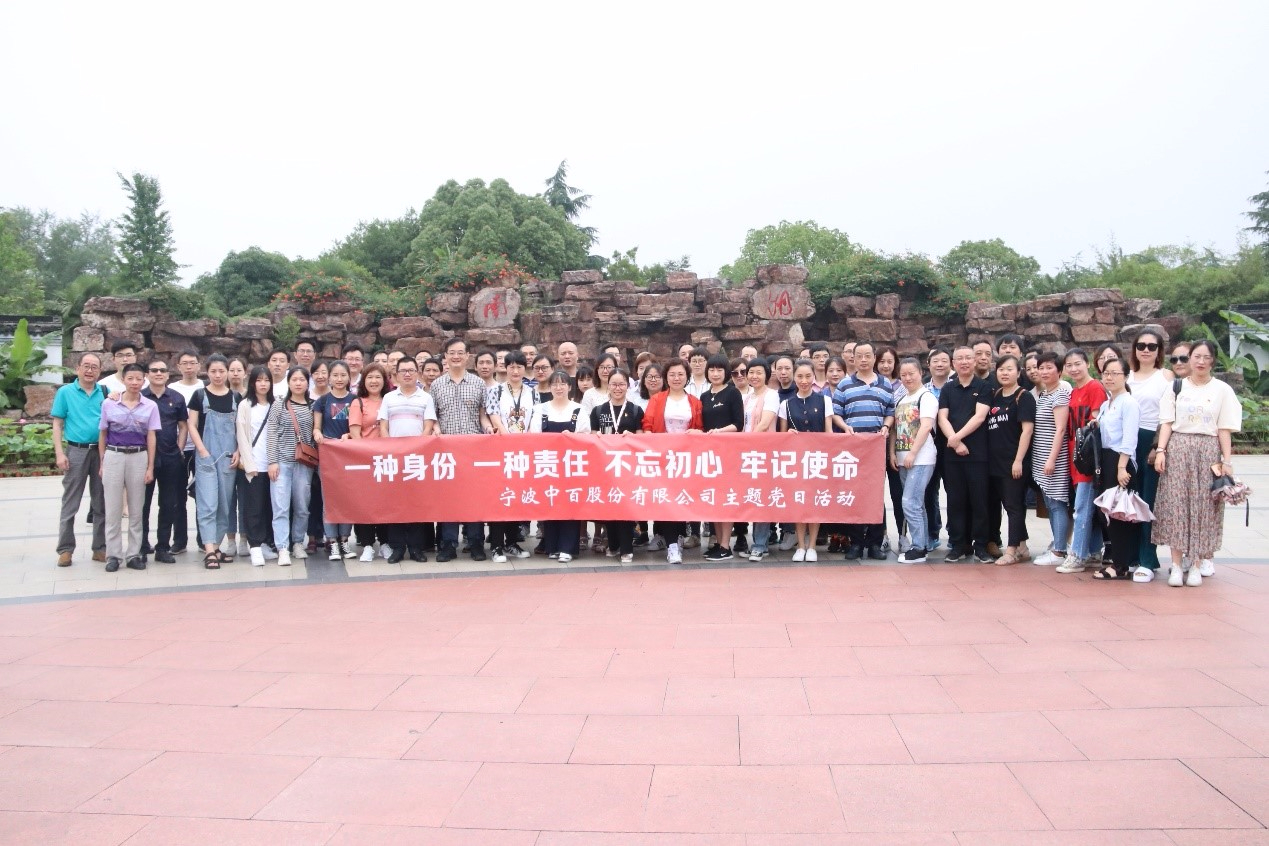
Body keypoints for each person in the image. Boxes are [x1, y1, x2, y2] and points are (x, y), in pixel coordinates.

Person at [1153, 339, 1242, 587]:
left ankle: (1196, 564)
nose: (1201, 361)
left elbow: (1224, 428)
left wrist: (1226, 460)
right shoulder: (1176, 387)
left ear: (1213, 360)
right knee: (1176, 505)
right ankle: (1176, 565)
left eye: (1206, 357)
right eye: (1196, 357)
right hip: (1178, 448)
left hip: (1208, 450)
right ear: (1189, 359)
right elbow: (1167, 422)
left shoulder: (1222, 390)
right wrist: (1161, 451)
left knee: (1204, 507)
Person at [833, 342, 895, 560]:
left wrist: (886, 426)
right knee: (855, 494)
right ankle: (856, 543)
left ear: (874, 357)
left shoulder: (885, 384)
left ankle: (875, 543)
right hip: (853, 447)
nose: (863, 360)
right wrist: (844, 427)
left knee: (876, 495)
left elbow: (890, 412)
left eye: (867, 355)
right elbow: (836, 413)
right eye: (859, 356)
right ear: (853, 358)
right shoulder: (844, 384)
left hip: (877, 447)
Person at [95, 362, 158, 572]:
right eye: (130, 378)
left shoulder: (150, 406)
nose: (134, 382)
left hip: (139, 456)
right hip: (114, 455)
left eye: (138, 378)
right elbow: (103, 433)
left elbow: (151, 436)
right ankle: (113, 555)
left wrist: (150, 467)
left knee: (136, 509)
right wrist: (103, 462)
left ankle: (133, 554)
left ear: (144, 380)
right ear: (123, 380)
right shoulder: (109, 403)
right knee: (112, 509)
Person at [430, 337, 490, 562]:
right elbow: (433, 416)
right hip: (446, 452)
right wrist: (436, 429)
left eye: (460, 353)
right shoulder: (436, 385)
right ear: (445, 357)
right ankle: (448, 545)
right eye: (451, 353)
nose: (456, 356)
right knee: (448, 500)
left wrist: (488, 429)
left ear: (467, 356)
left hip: (473, 450)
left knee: (474, 498)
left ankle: (476, 543)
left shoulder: (478, 383)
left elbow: (483, 415)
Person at [377, 357, 438, 562]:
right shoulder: (389, 398)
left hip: (416, 459)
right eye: (403, 370)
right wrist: (391, 449)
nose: (407, 374)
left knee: (416, 504)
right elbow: (383, 426)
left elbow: (428, 426)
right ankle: (397, 548)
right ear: (396, 374)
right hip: (394, 459)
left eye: (411, 370)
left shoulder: (425, 398)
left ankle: (416, 548)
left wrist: (416, 449)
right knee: (395, 504)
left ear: (417, 373)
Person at [642, 359, 703, 563]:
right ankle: (672, 546)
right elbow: (648, 425)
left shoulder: (694, 401)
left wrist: (697, 432)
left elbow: (700, 427)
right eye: (672, 374)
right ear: (666, 377)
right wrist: (651, 440)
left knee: (681, 499)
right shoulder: (657, 399)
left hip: (686, 459)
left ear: (687, 377)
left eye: (680, 374)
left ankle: (678, 537)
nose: (676, 378)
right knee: (666, 500)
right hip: (662, 458)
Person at [1126, 328, 1174, 581]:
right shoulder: (1127, 376)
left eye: (1152, 346)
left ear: (1159, 351)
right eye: (1141, 345)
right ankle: (1131, 556)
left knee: (1147, 501)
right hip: (1126, 442)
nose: (1146, 350)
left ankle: (1147, 559)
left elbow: (1169, 416)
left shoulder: (1165, 376)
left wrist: (1158, 447)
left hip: (1151, 442)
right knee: (1128, 501)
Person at [529, 370, 591, 563]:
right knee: (551, 502)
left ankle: (568, 548)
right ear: (549, 387)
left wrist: (572, 438)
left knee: (570, 504)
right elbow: (534, 436)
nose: (558, 387)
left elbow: (586, 436)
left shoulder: (578, 409)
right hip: (548, 465)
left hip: (571, 465)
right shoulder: (540, 409)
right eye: (554, 384)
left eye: (562, 384)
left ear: (569, 387)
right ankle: (552, 546)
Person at [53, 354, 109, 566]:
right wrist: (60, 453)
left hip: (101, 451)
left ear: (99, 371)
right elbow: (57, 424)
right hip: (75, 451)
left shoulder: (104, 392)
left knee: (101, 502)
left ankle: (100, 548)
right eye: (86, 366)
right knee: (71, 502)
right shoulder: (65, 392)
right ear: (77, 368)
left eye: (94, 367)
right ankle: (65, 549)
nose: (90, 370)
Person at [188, 355, 242, 569]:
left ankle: (217, 546)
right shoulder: (199, 395)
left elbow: (241, 429)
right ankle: (209, 549)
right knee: (207, 503)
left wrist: (238, 451)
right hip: (206, 458)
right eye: (213, 371)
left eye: (221, 371)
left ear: (227, 372)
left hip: (228, 458)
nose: (218, 375)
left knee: (224, 505)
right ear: (207, 372)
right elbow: (191, 425)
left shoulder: (236, 397)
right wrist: (202, 451)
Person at [938, 346, 991, 562]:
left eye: (968, 358)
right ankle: (958, 544)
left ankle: (981, 546)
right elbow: (942, 417)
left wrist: (956, 438)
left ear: (975, 361)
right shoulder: (948, 388)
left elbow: (979, 417)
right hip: (952, 456)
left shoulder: (984, 386)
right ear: (954, 363)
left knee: (979, 501)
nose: (964, 362)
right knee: (955, 500)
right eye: (959, 358)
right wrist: (954, 442)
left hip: (978, 454)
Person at [1090, 359, 1141, 580]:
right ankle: (1118, 561)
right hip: (1106, 460)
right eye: (1105, 373)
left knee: (1120, 513)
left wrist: (1121, 467)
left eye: (1114, 373)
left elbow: (1129, 438)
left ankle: (1121, 564)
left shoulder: (1129, 403)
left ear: (1126, 376)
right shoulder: (1106, 404)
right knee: (1108, 512)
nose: (1109, 377)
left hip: (1121, 461)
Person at [779, 360, 834, 561]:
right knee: (799, 501)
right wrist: (788, 434)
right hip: (796, 461)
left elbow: (829, 432)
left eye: (808, 376)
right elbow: (781, 436)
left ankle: (812, 547)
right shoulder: (786, 404)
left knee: (815, 502)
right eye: (800, 376)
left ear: (814, 377)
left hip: (818, 460)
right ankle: (801, 546)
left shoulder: (824, 401)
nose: (804, 380)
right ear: (794, 378)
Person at [1061, 349, 1109, 574]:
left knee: (1081, 507)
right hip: (1076, 456)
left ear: (1088, 364)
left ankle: (1077, 555)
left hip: (1089, 457)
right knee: (1087, 506)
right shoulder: (1074, 391)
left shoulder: (1095, 387)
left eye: (1078, 363)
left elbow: (1096, 421)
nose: (1074, 369)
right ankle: (1093, 552)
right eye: (1069, 365)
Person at [986, 355, 1035, 566]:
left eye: (1009, 369)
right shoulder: (996, 395)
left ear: (1018, 372)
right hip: (994, 462)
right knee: (1007, 504)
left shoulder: (1024, 397)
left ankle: (1012, 550)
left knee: (1014, 506)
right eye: (1001, 369)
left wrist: (1018, 460)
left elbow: (1027, 431)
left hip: (1014, 462)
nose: (1004, 373)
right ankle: (1023, 547)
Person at [591, 368, 644, 564]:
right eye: (614, 384)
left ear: (627, 386)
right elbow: (593, 436)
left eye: (621, 384)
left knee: (626, 507)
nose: (617, 388)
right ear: (608, 385)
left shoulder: (636, 410)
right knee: (610, 506)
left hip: (628, 466)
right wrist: (596, 437)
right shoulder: (598, 410)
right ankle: (613, 545)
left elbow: (641, 437)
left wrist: (633, 437)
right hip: (606, 466)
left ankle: (627, 548)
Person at [485, 350, 534, 563]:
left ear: (525, 369)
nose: (515, 371)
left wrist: (526, 440)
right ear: (505, 368)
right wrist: (506, 437)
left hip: (523, 451)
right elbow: (493, 415)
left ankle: (511, 542)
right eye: (511, 366)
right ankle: (496, 546)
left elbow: (534, 418)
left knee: (516, 498)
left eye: (519, 367)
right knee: (500, 497)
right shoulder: (495, 390)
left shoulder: (532, 392)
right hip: (501, 450)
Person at [140, 357, 188, 565]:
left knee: (168, 503)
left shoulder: (176, 398)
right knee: (142, 504)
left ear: (168, 375)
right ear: (147, 375)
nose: (158, 373)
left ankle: (163, 547)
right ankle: (141, 545)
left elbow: (183, 425)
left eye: (162, 370)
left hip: (170, 457)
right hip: (144, 457)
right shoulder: (140, 397)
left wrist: (179, 448)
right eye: (154, 370)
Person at [267, 366, 316, 567]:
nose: (298, 383)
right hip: (282, 463)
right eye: (294, 379)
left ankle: (297, 542)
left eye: (302, 380)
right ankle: (282, 548)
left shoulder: (313, 406)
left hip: (304, 464)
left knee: (302, 507)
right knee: (280, 507)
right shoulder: (279, 405)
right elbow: (271, 433)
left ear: (307, 383)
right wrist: (272, 461)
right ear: (288, 382)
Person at [891, 358, 938, 564]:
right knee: (916, 503)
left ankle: (917, 548)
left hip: (921, 459)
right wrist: (893, 453)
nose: (908, 378)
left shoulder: (926, 397)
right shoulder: (902, 399)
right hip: (903, 459)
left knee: (909, 502)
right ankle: (923, 545)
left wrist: (912, 453)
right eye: (904, 375)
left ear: (921, 373)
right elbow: (895, 428)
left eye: (912, 373)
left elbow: (926, 427)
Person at [699, 354, 746, 561]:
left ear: (726, 372)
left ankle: (726, 546)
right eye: (712, 370)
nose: (715, 374)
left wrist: (719, 431)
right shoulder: (704, 396)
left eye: (719, 370)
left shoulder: (732, 393)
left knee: (725, 499)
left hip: (728, 453)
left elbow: (738, 424)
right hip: (709, 454)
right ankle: (718, 543)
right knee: (714, 499)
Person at [1031, 352, 1073, 566]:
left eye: (1049, 367)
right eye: (1041, 368)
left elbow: (1061, 429)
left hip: (1054, 458)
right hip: (1040, 456)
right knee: (1050, 503)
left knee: (1057, 503)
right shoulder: (1044, 394)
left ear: (1059, 371)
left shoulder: (1061, 394)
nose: (1044, 372)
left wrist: (1052, 459)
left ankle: (1059, 551)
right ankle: (1058, 544)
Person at [313, 361, 357, 561]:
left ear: (349, 377)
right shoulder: (322, 401)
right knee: (329, 500)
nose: (339, 379)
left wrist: (349, 435)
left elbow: (357, 427)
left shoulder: (355, 400)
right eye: (335, 375)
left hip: (348, 456)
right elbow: (316, 427)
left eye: (343, 375)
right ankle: (332, 542)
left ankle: (345, 540)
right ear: (329, 377)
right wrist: (317, 434)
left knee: (347, 499)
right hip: (328, 456)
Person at [349, 362, 390, 561]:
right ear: (364, 381)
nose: (374, 381)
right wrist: (365, 456)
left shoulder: (390, 400)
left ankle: (385, 543)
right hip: (365, 461)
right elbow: (355, 433)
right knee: (365, 504)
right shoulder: (358, 402)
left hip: (387, 460)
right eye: (370, 377)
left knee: (385, 503)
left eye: (378, 377)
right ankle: (366, 544)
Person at [235, 366, 275, 566]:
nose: (263, 384)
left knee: (269, 506)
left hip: (273, 465)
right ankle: (255, 546)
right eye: (259, 380)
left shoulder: (275, 405)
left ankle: (266, 542)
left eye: (266, 380)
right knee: (254, 507)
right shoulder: (245, 405)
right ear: (252, 383)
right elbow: (241, 435)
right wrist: (249, 463)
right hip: (254, 465)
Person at [743, 357, 779, 561]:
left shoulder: (771, 395)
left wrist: (748, 442)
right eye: (751, 372)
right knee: (754, 496)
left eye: (759, 372)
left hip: (763, 452)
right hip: (748, 454)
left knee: (762, 498)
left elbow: (765, 423)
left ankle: (759, 544)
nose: (754, 376)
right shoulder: (748, 397)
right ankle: (759, 543)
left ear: (766, 375)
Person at [170, 350, 203, 552]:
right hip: (178, 448)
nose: (189, 367)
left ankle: (203, 539)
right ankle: (179, 540)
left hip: (201, 449)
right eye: (185, 363)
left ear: (199, 365)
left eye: (192, 363)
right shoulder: (172, 389)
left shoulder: (205, 388)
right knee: (177, 497)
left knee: (202, 496)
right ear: (178, 366)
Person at [923, 347, 953, 551]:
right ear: (928, 364)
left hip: (953, 444)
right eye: (935, 361)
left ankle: (955, 533)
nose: (940, 364)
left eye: (944, 360)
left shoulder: (957, 386)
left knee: (954, 492)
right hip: (928, 445)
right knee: (929, 491)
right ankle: (932, 533)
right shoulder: (923, 389)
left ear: (951, 363)